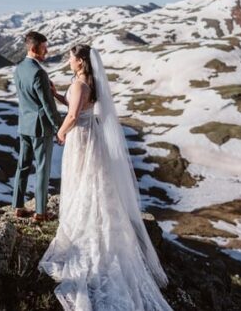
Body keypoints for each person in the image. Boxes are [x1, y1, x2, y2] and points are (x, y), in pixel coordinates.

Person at [38, 44, 173, 311]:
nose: (68, 61)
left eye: (71, 58)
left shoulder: (79, 84)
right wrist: (58, 96)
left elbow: (75, 115)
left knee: (81, 179)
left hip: (82, 138)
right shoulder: (89, 83)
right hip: (92, 135)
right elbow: (81, 107)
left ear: (80, 61)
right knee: (92, 180)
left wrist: (61, 133)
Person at [11, 31, 63, 223]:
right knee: (42, 168)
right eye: (44, 48)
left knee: (22, 166)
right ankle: (40, 212)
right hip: (40, 128)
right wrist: (60, 128)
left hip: (24, 124)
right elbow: (48, 106)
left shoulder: (18, 69)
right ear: (34, 49)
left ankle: (17, 206)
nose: (47, 51)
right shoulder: (39, 73)